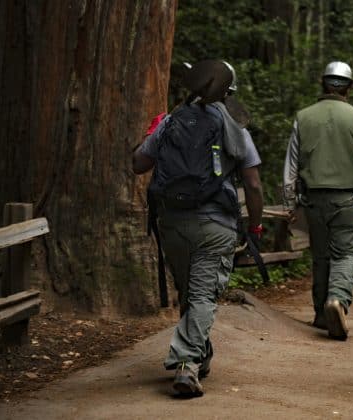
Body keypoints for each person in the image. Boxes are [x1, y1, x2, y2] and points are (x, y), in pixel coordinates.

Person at [132, 60, 263, 397]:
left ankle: (200, 354)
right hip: (215, 223)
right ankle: (188, 364)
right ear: (229, 92)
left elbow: (138, 163)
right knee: (203, 294)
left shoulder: (172, 120)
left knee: (191, 293)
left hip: (172, 222)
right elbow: (253, 183)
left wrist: (154, 132)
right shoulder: (235, 126)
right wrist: (255, 224)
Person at [283, 61, 353, 341]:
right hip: (346, 200)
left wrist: (290, 204)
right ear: (349, 87)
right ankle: (337, 300)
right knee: (347, 254)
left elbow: (291, 167)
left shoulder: (303, 117)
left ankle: (320, 313)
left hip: (313, 200)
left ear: (323, 83)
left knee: (321, 256)